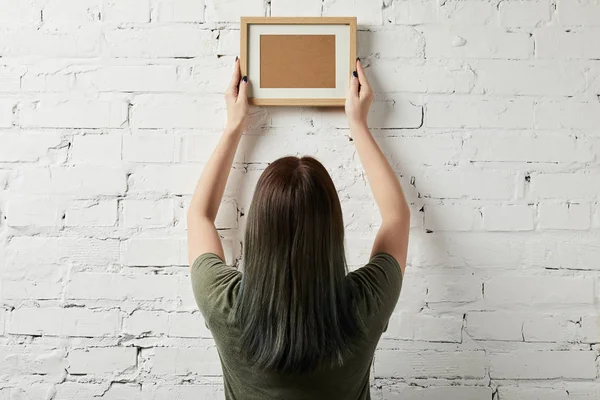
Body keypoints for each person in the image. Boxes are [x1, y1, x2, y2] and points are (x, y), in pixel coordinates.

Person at [186, 58, 410, 400]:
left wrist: (234, 126)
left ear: (257, 231)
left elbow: (200, 216)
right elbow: (396, 217)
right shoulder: (363, 305)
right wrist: (359, 124)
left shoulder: (224, 304)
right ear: (332, 231)